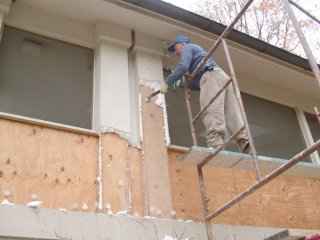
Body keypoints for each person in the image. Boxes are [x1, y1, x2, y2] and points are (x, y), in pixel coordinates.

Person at [162, 35, 250, 153]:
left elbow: (183, 66)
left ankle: (216, 145)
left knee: (211, 109)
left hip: (211, 76)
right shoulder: (198, 57)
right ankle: (243, 141)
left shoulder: (188, 48)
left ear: (182, 44)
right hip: (221, 76)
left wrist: (168, 81)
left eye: (175, 48)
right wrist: (183, 82)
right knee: (231, 111)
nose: (176, 53)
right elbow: (196, 83)